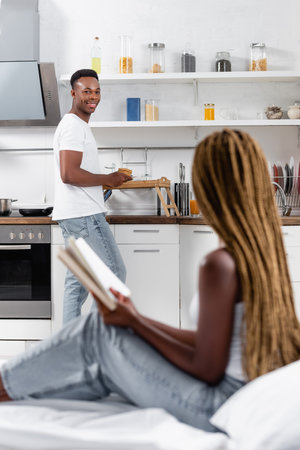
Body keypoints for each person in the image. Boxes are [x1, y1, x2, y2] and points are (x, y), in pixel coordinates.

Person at [1, 129, 300, 431]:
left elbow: (207, 368)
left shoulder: (219, 264)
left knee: (96, 331)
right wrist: (135, 320)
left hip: (215, 404)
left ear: (209, 188)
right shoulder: (262, 252)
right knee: (104, 362)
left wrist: (135, 323)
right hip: (237, 395)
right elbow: (211, 343)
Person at [52, 68, 132, 324]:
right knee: (114, 274)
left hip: (75, 215)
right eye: (86, 91)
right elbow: (69, 173)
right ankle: (94, 339)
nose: (93, 97)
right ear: (73, 93)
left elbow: (75, 175)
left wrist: (104, 183)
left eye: (97, 92)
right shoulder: (74, 127)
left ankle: (71, 345)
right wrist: (107, 179)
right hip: (84, 217)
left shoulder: (75, 125)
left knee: (78, 283)